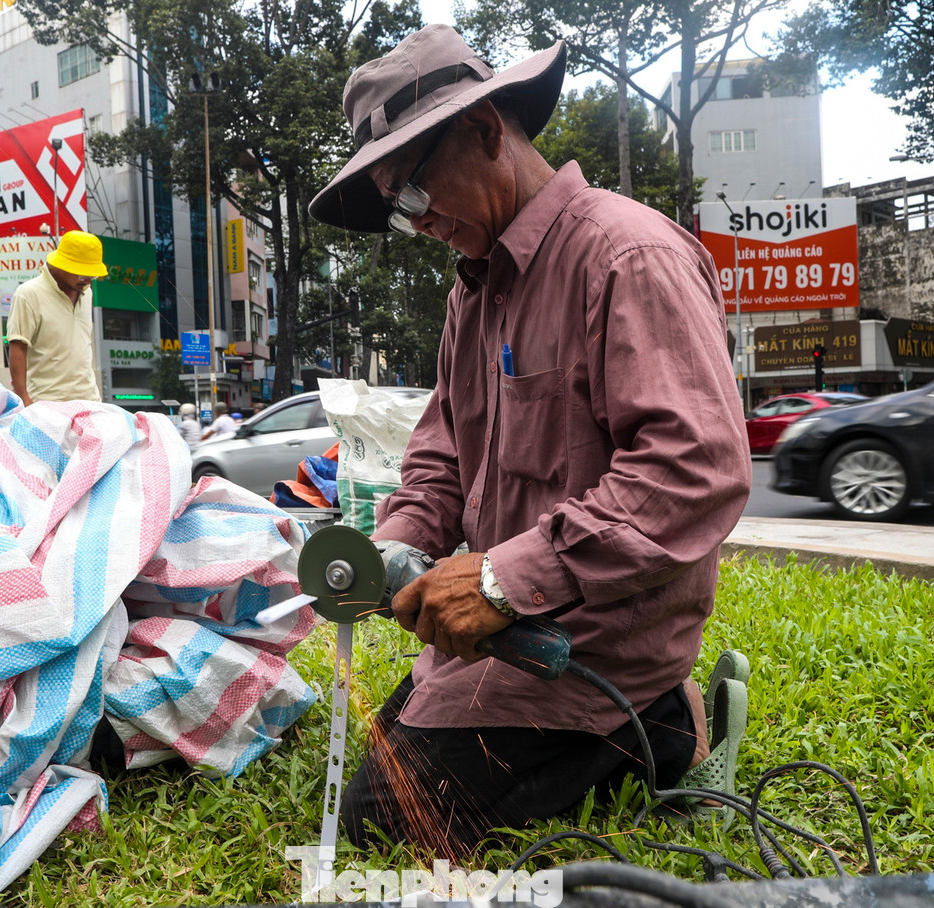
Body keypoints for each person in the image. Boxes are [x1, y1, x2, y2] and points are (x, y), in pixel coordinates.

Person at [308, 25, 752, 856]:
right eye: (397, 211)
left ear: (483, 132)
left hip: (599, 638)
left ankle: (667, 725)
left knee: (391, 820)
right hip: (510, 631)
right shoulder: (471, 296)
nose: (415, 223)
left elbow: (695, 468)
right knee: (394, 754)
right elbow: (441, 459)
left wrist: (507, 580)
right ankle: (634, 725)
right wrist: (391, 549)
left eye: (411, 192)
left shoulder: (627, 255)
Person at [6, 230, 106, 405]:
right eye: (83, 275)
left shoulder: (87, 292)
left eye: (92, 276)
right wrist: (23, 399)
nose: (88, 281)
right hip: (46, 403)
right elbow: (18, 347)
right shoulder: (29, 294)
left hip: (90, 400)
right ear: (61, 266)